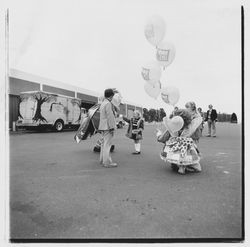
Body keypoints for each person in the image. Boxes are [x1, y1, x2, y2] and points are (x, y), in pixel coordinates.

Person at [157, 107, 202, 175]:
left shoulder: (172, 128)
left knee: (175, 155)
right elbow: (197, 131)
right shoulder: (189, 128)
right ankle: (184, 167)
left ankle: (179, 166)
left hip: (176, 147)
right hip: (186, 146)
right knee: (193, 162)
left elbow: (163, 138)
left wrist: (158, 134)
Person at [98, 88, 117, 168]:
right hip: (108, 127)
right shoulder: (108, 104)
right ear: (111, 96)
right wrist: (112, 127)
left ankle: (102, 160)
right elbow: (110, 117)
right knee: (107, 145)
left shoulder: (103, 103)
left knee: (103, 144)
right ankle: (107, 162)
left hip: (102, 126)